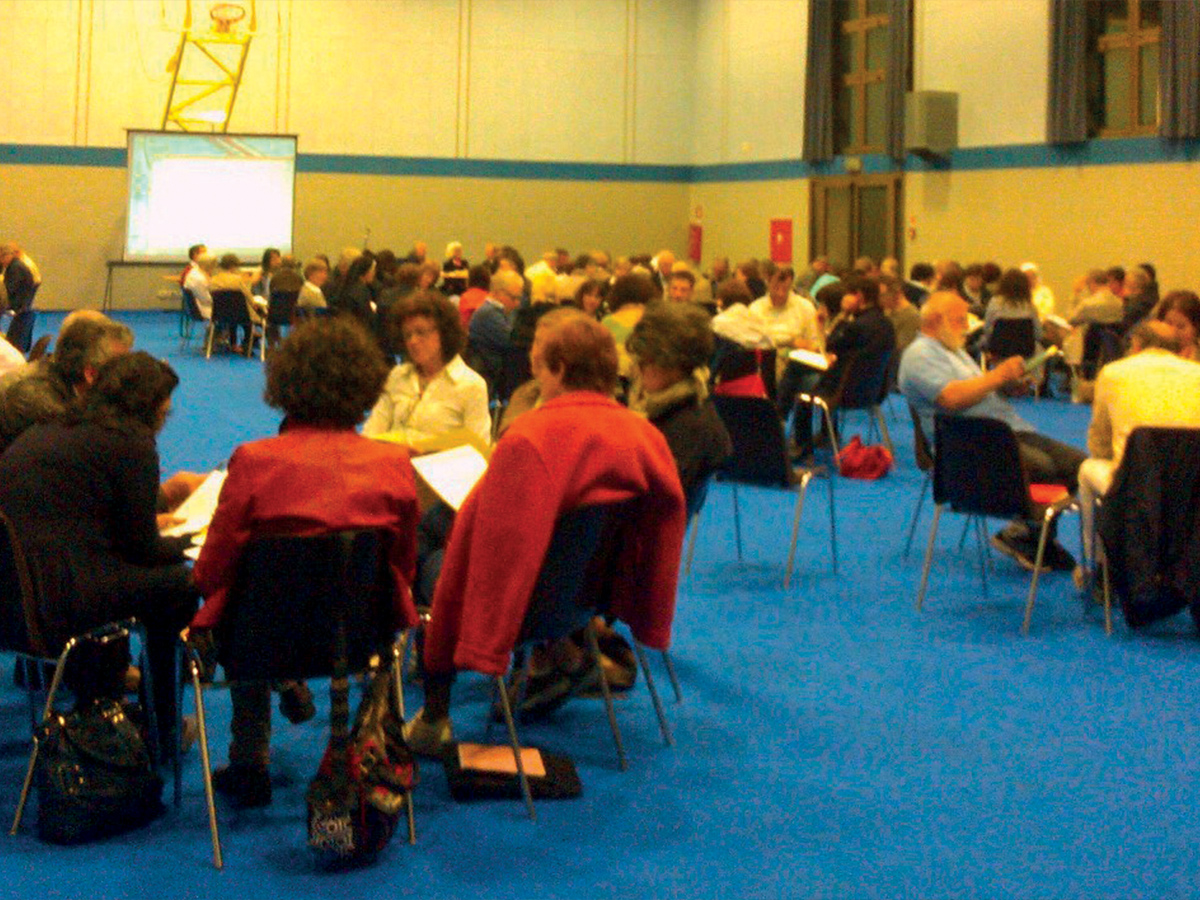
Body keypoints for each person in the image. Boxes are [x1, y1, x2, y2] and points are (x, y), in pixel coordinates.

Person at [403, 311, 687, 756]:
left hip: (527, 608)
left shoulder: (531, 438)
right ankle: (563, 657)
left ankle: (431, 712)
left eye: (538, 366)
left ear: (558, 369)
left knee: (426, 548)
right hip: (586, 599)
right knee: (437, 526)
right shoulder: (644, 435)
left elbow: (475, 561)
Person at [191, 319, 420, 807]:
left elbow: (211, 571)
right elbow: (402, 566)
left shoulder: (253, 460)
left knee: (243, 606)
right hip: (359, 639)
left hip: (259, 643)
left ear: (285, 385)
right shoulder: (394, 462)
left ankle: (249, 760)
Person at [0, 352, 198, 755]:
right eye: (166, 410)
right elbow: (142, 548)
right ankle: (162, 727)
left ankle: (113, 696)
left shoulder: (50, 429)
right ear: (149, 408)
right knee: (181, 584)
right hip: (58, 604)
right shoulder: (131, 443)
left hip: (14, 602)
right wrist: (192, 541)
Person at [899, 292, 1086, 572]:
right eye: (960, 320)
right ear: (936, 320)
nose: (966, 326)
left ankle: (1032, 535)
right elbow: (950, 398)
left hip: (1003, 431)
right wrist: (997, 376)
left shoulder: (953, 350)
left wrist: (1007, 384)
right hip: (968, 444)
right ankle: (1027, 531)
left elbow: (979, 388)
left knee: (1079, 465)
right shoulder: (919, 355)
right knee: (1044, 467)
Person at [1076, 320, 1200, 579]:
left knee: (1087, 469)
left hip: (1135, 485)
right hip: (1191, 486)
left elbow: (1099, 444)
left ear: (1136, 345)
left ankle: (1097, 567)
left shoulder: (1113, 373)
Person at [627, 303, 732, 512]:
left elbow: (648, 504)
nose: (639, 368)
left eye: (647, 360)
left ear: (676, 364)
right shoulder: (676, 405)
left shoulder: (690, 426)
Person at [362, 290, 491, 449]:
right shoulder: (398, 375)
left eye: (420, 332)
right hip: (393, 461)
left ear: (444, 333)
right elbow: (372, 431)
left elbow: (478, 450)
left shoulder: (471, 385)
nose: (413, 341)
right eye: (407, 335)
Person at [209, 253, 266, 351]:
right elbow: (248, 296)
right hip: (240, 314)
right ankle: (247, 343)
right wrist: (255, 304)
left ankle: (233, 344)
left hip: (219, 314)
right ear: (233, 266)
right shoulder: (238, 279)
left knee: (232, 317)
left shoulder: (213, 280)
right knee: (247, 317)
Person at [982, 267, 1042, 355]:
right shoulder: (1030, 306)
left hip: (998, 352)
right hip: (1025, 353)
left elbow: (987, 330)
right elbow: (1038, 335)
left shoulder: (995, 302)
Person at [1154, 290, 1200, 361]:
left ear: (1195, 329)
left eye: (1181, 326)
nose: (1173, 331)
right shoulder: (1150, 355)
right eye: (1169, 324)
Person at [183, 252, 217, 319]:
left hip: (199, 305)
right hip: (203, 309)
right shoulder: (199, 279)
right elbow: (206, 300)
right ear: (209, 265)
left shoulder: (194, 271)